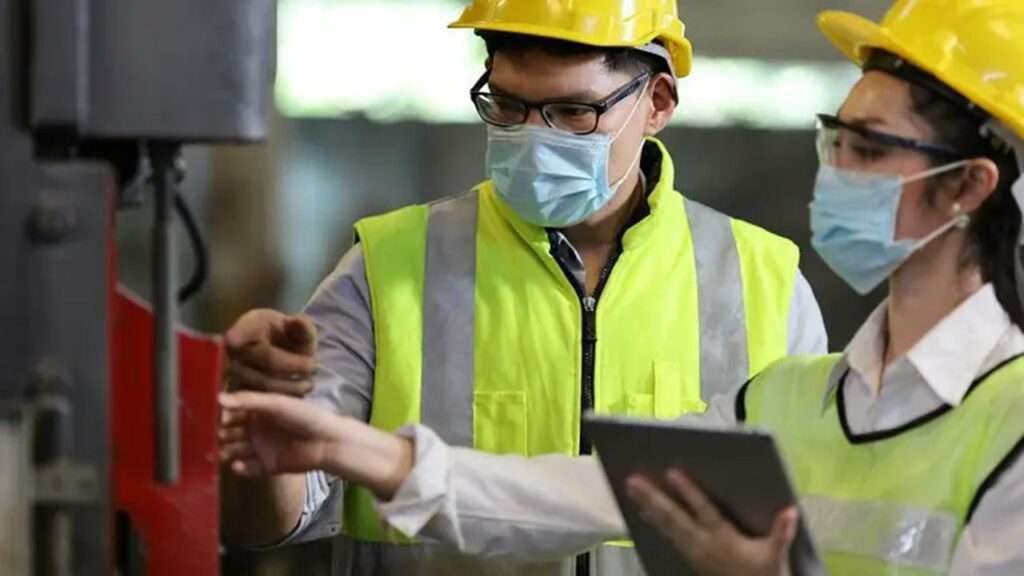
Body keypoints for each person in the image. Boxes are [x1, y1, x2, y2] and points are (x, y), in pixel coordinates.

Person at [221, 0, 1024, 574]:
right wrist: (320, 440)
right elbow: (563, 494)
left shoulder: (771, 287)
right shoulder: (797, 400)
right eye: (508, 105)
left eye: (867, 147)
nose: (835, 170)